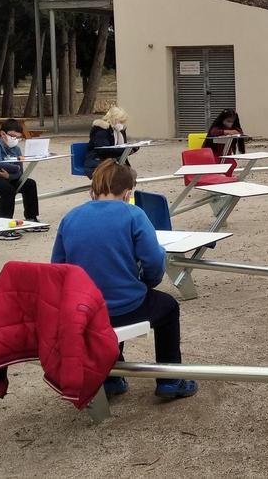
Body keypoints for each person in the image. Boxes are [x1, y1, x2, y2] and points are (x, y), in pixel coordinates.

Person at [51, 160, 199, 400]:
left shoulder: (71, 217)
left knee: (106, 309)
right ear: (128, 192)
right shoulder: (133, 214)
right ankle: (170, 379)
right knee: (168, 307)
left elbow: (57, 268)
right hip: (124, 305)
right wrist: (147, 283)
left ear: (93, 189)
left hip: (85, 308)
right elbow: (153, 261)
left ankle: (110, 378)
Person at [84, 106, 136, 177]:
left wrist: (132, 148)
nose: (122, 124)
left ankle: (121, 187)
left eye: (123, 121)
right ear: (113, 119)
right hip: (97, 160)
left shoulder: (119, 130)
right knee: (118, 174)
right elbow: (104, 150)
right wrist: (126, 149)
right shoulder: (101, 130)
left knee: (130, 174)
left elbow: (121, 148)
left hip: (113, 161)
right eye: (120, 121)